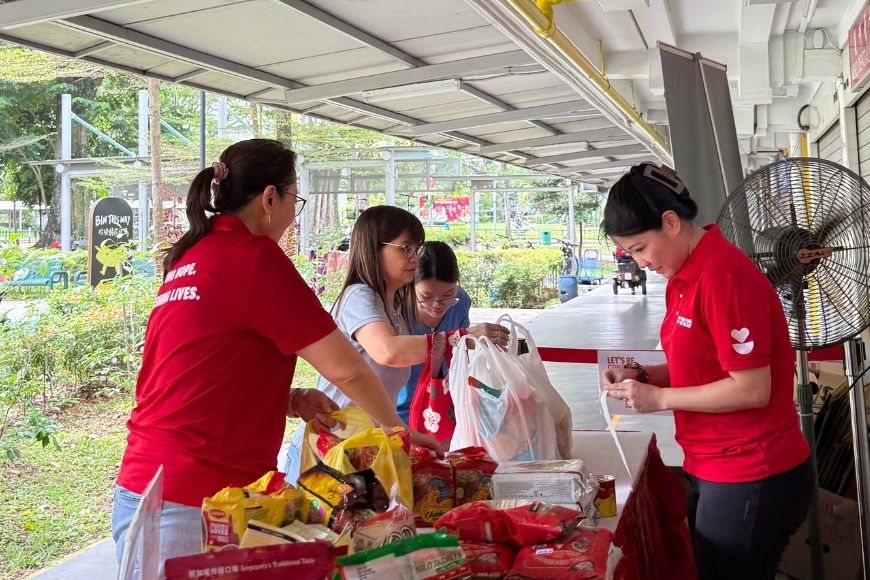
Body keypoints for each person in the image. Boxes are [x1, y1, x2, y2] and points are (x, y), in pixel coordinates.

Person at [112, 139, 440, 570]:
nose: (292, 213)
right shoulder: (254, 258)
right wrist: (397, 431)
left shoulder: (193, 255)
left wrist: (286, 399)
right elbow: (349, 370)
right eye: (294, 199)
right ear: (270, 198)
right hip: (191, 498)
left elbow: (198, 369)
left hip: (156, 483)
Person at [600, 162, 812, 580]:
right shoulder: (685, 276)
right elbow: (702, 367)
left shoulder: (723, 276)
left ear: (671, 222)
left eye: (641, 248)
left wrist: (659, 399)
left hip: (751, 470)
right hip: (712, 464)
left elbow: (751, 389)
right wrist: (644, 376)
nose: (639, 263)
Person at [284, 208, 508, 482]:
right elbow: (388, 351)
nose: (415, 257)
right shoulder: (359, 296)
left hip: (367, 449)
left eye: (417, 247)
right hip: (333, 450)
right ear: (373, 248)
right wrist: (461, 338)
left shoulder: (395, 305)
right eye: (405, 248)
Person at [395, 241, 471, 424]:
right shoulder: (395, 310)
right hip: (400, 413)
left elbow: (460, 358)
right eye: (426, 296)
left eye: (447, 295)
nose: (437, 305)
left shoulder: (460, 303)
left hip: (444, 409)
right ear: (410, 285)